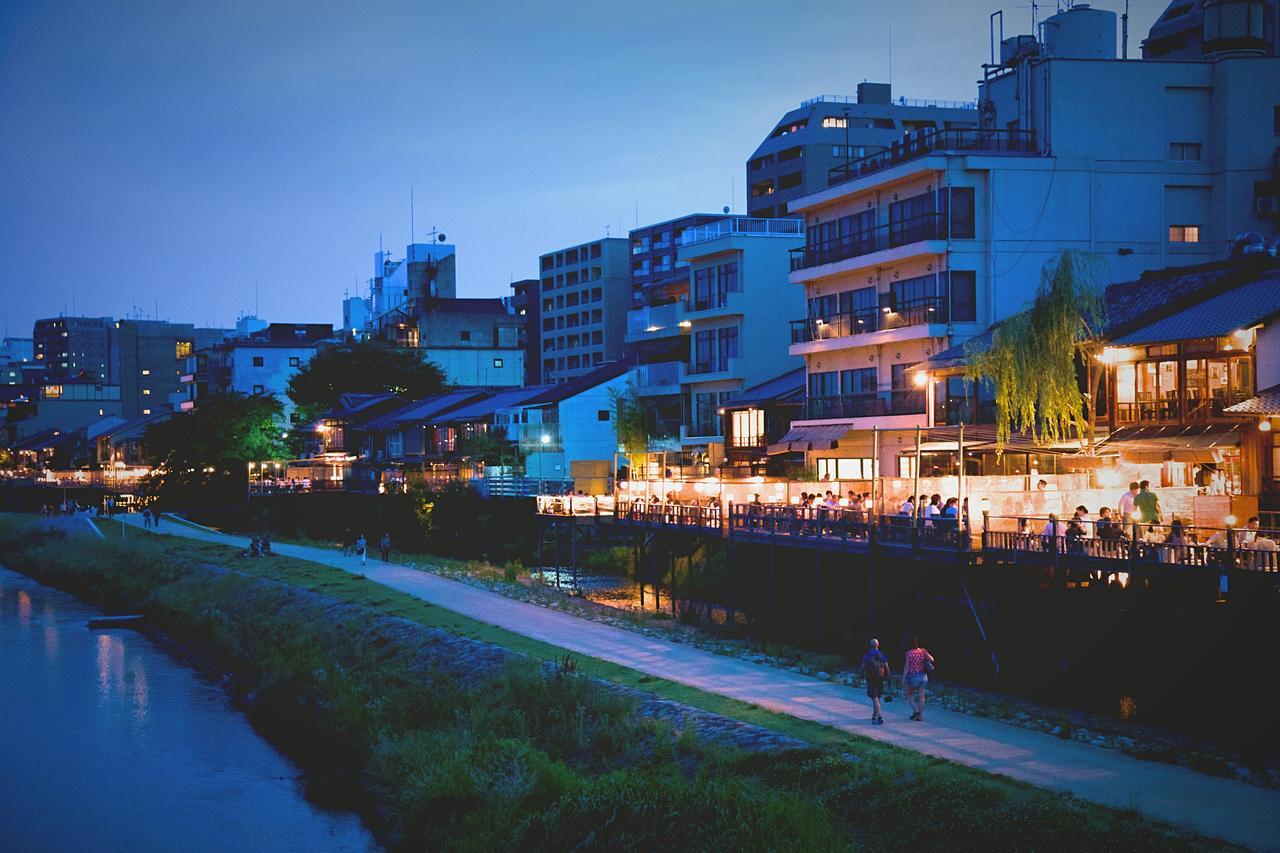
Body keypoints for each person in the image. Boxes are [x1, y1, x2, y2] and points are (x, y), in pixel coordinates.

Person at [859, 639, 891, 725]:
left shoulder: (867, 655)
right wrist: (888, 678)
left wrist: (860, 676)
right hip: (880, 678)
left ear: (870, 645)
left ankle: (880, 717)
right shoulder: (882, 655)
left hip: (871, 678)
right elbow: (887, 667)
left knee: (875, 698)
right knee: (876, 697)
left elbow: (863, 666)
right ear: (878, 645)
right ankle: (874, 714)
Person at [902, 637, 935, 721]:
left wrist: (903, 677)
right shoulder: (923, 651)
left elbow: (907, 666)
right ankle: (920, 715)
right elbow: (932, 659)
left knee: (908, 694)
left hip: (913, 676)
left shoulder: (909, 653)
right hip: (923, 676)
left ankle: (916, 711)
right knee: (921, 696)